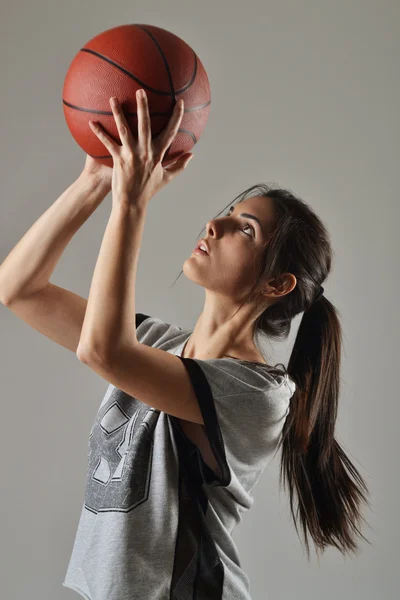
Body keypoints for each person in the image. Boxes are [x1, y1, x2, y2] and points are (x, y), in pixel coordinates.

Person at [0, 97, 371, 600]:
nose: (213, 226)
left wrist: (131, 203)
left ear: (277, 284)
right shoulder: (156, 345)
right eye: (228, 214)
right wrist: (95, 182)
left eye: (246, 229)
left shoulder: (256, 393)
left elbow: (103, 351)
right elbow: (19, 290)